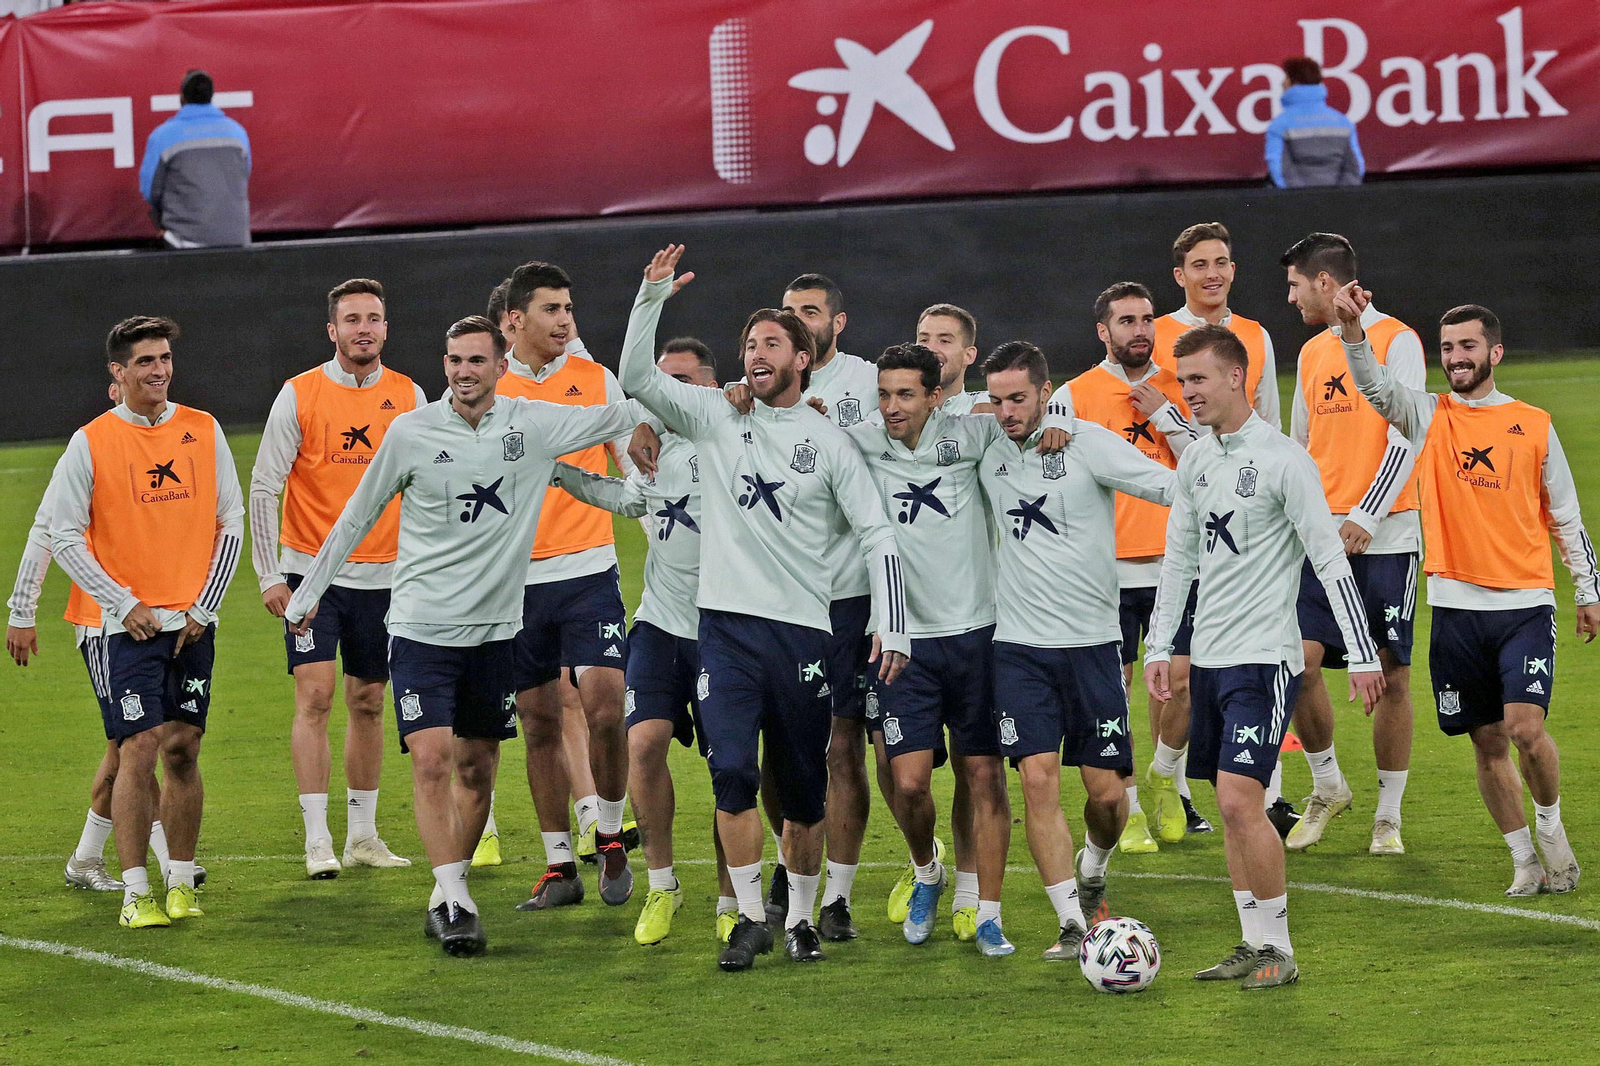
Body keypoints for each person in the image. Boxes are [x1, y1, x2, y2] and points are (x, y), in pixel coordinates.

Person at [283, 316, 651, 957]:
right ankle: (456, 900)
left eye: (476, 360)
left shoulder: (532, 427)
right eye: (454, 360)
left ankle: (445, 893)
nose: (463, 372)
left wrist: (713, 396)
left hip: (495, 636)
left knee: (477, 769)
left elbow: (619, 414)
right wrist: (307, 592)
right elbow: (357, 515)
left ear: (500, 366)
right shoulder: (411, 432)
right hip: (421, 630)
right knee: (432, 760)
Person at [617, 245, 910, 972]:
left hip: (806, 634)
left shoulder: (827, 440)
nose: (756, 353)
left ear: (802, 360)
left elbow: (877, 532)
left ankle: (802, 918)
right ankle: (749, 917)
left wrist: (892, 623)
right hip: (724, 630)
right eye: (750, 343)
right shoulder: (715, 417)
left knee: (804, 792)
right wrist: (650, 297)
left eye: (772, 343)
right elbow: (635, 378)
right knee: (732, 775)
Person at [1145, 323, 1383, 990]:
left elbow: (1329, 558)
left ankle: (1279, 949)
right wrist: (1161, 644)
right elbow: (1178, 562)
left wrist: (1362, 653)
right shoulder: (1197, 460)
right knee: (1230, 807)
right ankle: (1254, 942)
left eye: (1197, 379)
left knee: (1238, 797)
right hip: (1210, 658)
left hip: (1264, 659)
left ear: (1235, 377)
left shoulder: (1284, 461)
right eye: (1182, 381)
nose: (1188, 392)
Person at [1342, 293, 1598, 895]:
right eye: (1448, 347)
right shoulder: (1429, 415)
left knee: (1524, 729)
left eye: (1468, 346)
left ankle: (1550, 825)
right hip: (1455, 611)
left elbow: (1565, 514)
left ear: (1495, 353)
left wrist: (1587, 590)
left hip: (1524, 605)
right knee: (1486, 742)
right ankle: (1524, 860)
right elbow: (1376, 388)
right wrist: (1353, 332)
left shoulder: (1534, 424)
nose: (1456, 357)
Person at [845, 343, 1068, 953]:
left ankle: (985, 911)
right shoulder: (861, 443)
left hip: (978, 636)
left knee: (984, 774)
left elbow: (1028, 412)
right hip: (902, 642)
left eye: (905, 394)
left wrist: (1059, 419)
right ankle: (927, 871)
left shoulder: (971, 434)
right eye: (884, 394)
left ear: (935, 396)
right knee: (909, 783)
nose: (892, 406)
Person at [980, 340, 1176, 961]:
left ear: (1046, 392)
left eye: (1019, 398)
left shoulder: (1087, 443)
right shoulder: (986, 446)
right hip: (1018, 648)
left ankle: (1093, 866)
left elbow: (1170, 488)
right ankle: (1071, 921)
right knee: (1036, 778)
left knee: (1107, 796)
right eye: (997, 400)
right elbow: (936, 411)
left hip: (1092, 646)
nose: (1007, 412)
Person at [50, 316, 246, 928]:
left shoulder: (203, 429)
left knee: (184, 749)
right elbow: (62, 535)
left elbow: (231, 522)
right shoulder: (91, 441)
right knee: (137, 747)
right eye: (145, 362)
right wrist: (121, 602)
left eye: (164, 359)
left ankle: (181, 883)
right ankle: (136, 892)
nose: (159, 370)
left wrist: (204, 607)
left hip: (192, 623)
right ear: (118, 371)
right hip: (125, 628)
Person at [544, 336, 720, 946]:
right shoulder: (654, 449)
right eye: (660, 382)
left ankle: (738, 899)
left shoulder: (738, 440)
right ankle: (662, 885)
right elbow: (624, 498)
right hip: (660, 623)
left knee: (731, 771)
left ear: (710, 388)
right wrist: (558, 471)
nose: (666, 393)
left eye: (682, 381)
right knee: (642, 743)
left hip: (726, 630)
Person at [250, 279, 425, 879]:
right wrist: (270, 574)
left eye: (373, 318)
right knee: (316, 696)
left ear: (385, 328)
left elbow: (427, 483)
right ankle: (316, 838)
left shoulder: (408, 395)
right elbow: (265, 485)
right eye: (352, 319)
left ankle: (363, 836)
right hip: (311, 576)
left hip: (387, 578)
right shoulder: (299, 394)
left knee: (370, 702)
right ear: (332, 331)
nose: (363, 329)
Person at [8, 381, 203, 895]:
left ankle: (89, 858)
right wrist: (22, 610)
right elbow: (46, 529)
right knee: (134, 742)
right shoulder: (90, 450)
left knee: (137, 743)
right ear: (115, 386)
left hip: (158, 616)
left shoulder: (159, 448)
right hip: (103, 622)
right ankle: (161, 860)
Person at [490, 262, 642, 910]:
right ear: (514, 320)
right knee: (538, 722)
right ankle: (559, 867)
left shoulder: (597, 380)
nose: (565, 320)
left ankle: (609, 830)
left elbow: (636, 475)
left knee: (606, 706)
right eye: (551, 309)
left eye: (568, 308)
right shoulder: (488, 388)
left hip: (588, 572)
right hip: (515, 583)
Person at [1152, 222, 1299, 837]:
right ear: (1180, 275)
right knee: (1181, 673)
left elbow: (1266, 427)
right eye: (1200, 264)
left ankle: (1268, 796)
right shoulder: (1156, 334)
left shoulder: (1256, 335)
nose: (1213, 273)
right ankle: (1174, 786)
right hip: (1183, 521)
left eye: (1222, 262)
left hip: (1251, 525)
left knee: (1260, 662)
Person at [1281, 235, 1422, 855]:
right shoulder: (1312, 351)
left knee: (1391, 673)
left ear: (1324, 281)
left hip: (1388, 534)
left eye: (1295, 285)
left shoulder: (1398, 340)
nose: (1291, 298)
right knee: (1298, 661)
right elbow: (1299, 446)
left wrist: (1367, 513)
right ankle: (1327, 784)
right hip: (1320, 539)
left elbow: (1408, 433)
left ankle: (1388, 816)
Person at [1066, 283, 1205, 854]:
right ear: (1104, 331)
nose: (1140, 330)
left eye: (1147, 319)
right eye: (1126, 321)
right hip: (1108, 571)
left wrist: (1167, 416)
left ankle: (1165, 776)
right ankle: (1130, 805)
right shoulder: (1075, 395)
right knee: (1113, 692)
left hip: (1177, 561)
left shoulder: (1183, 386)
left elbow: (1209, 462)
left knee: (1182, 682)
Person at [778, 273, 884, 941]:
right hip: (781, 597)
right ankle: (790, 873)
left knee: (843, 748)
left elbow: (927, 418)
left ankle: (838, 897)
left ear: (837, 322)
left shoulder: (867, 382)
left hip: (847, 596)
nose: (799, 321)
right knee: (784, 748)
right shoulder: (762, 385)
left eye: (811, 311)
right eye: (789, 311)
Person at [137, 70, 251, 249]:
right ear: (211, 95)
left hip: (186, 243)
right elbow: (244, 176)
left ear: (182, 96)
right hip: (237, 240)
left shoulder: (163, 136)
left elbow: (150, 191)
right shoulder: (238, 133)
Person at [1265, 57, 1364, 189]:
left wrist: (1302, 196)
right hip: (1341, 199)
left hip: (1297, 200)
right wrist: (1341, 196)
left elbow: (1279, 169)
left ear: (1293, 83)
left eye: (1286, 78)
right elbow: (1355, 168)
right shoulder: (1343, 122)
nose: (1282, 83)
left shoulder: (1279, 125)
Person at [915, 303, 991, 415]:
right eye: (924, 340)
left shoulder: (991, 413)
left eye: (944, 341)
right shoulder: (890, 413)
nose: (930, 349)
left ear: (968, 355)